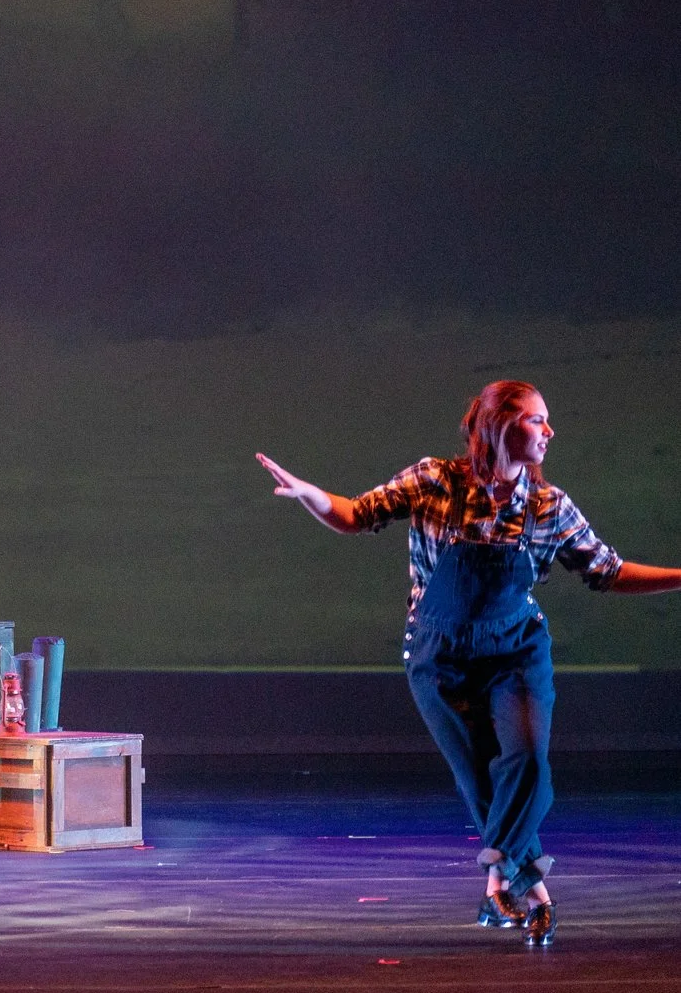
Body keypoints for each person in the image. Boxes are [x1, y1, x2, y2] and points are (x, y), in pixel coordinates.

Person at [260, 380, 681, 947]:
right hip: (440, 657)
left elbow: (607, 571)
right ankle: (523, 893)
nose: (549, 432)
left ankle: (497, 879)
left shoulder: (548, 507)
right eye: (537, 421)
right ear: (498, 425)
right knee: (483, 778)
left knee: (527, 760)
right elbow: (357, 515)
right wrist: (311, 495)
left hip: (514, 652)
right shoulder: (435, 479)